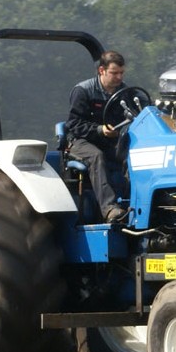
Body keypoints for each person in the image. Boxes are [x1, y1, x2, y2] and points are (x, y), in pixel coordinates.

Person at [65, 50, 135, 223]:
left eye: (122, 73)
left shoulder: (125, 92)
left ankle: (132, 204)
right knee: (97, 156)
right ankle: (110, 209)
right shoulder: (83, 91)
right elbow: (73, 124)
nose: (119, 77)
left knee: (133, 155)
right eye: (114, 73)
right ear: (101, 70)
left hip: (109, 141)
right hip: (80, 141)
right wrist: (99, 130)